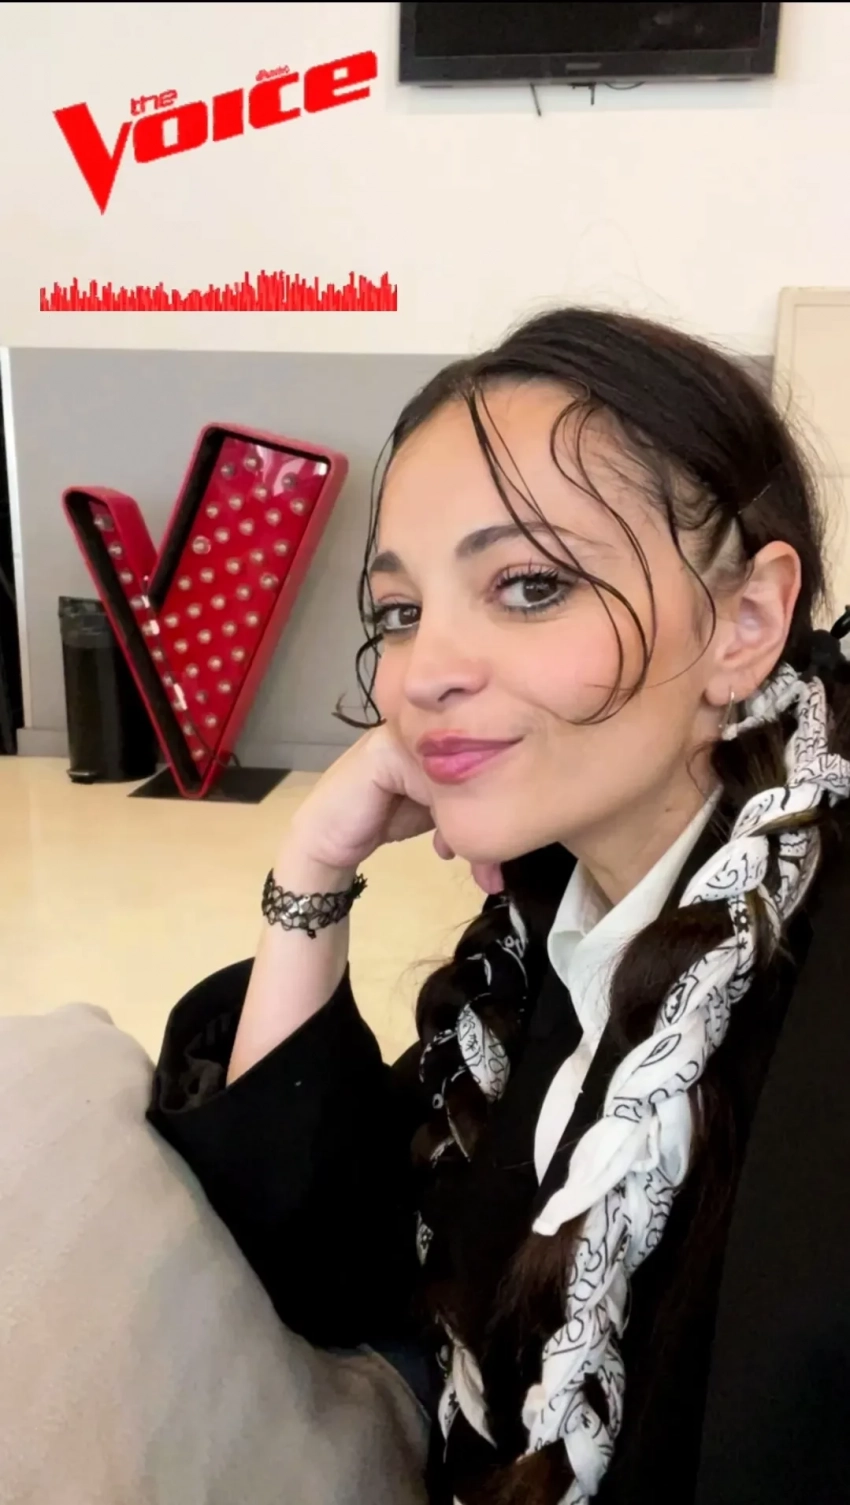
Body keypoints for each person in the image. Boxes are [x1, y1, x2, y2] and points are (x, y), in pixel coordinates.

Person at [147, 308, 850, 1505]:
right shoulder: (542, 935)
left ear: (743, 622)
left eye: (529, 584)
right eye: (399, 610)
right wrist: (314, 867)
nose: (422, 672)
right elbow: (319, 1262)